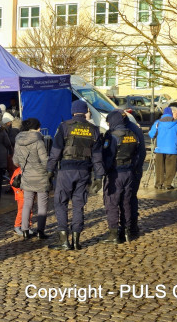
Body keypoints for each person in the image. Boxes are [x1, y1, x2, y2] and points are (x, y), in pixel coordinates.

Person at [47, 100, 104, 250]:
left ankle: (64, 240)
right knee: (79, 204)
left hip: (66, 170)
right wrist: (99, 176)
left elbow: (55, 152)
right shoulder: (94, 129)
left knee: (61, 203)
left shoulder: (65, 126)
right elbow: (97, 156)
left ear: (73, 112)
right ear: (85, 112)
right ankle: (76, 241)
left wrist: (49, 171)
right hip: (84, 171)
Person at [100, 110, 142, 245]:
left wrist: (103, 171)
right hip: (129, 172)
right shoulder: (132, 134)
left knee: (112, 203)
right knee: (126, 202)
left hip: (115, 173)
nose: (108, 124)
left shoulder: (112, 136)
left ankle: (113, 233)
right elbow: (137, 155)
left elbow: (108, 156)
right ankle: (127, 231)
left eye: (108, 122)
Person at [13, 118, 50, 239]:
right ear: (36, 128)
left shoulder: (18, 140)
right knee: (42, 205)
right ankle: (40, 231)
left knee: (27, 203)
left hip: (27, 175)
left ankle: (24, 230)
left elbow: (15, 161)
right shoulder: (39, 141)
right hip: (40, 177)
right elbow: (45, 161)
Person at [148, 107, 177, 190]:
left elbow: (151, 134)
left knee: (159, 166)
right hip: (172, 149)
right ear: (171, 113)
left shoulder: (158, 123)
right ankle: (167, 184)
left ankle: (159, 184)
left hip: (159, 149)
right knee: (171, 167)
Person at [121, 110, 147, 240]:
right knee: (132, 198)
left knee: (125, 199)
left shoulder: (126, 129)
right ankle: (132, 226)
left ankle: (127, 226)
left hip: (127, 169)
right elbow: (142, 151)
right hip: (135, 168)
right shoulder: (136, 129)